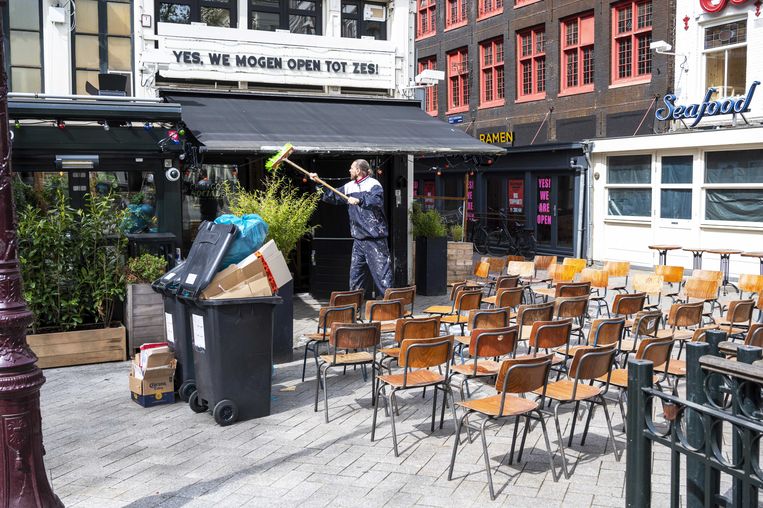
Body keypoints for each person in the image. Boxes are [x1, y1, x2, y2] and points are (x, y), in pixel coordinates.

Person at [309, 160, 392, 296]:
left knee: (383, 276)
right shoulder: (349, 187)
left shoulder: (374, 184)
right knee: (355, 277)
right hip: (358, 239)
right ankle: (355, 309)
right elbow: (331, 196)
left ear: (359, 170)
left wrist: (360, 200)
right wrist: (318, 183)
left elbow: (376, 201)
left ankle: (390, 307)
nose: (349, 170)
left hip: (375, 239)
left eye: (352, 168)